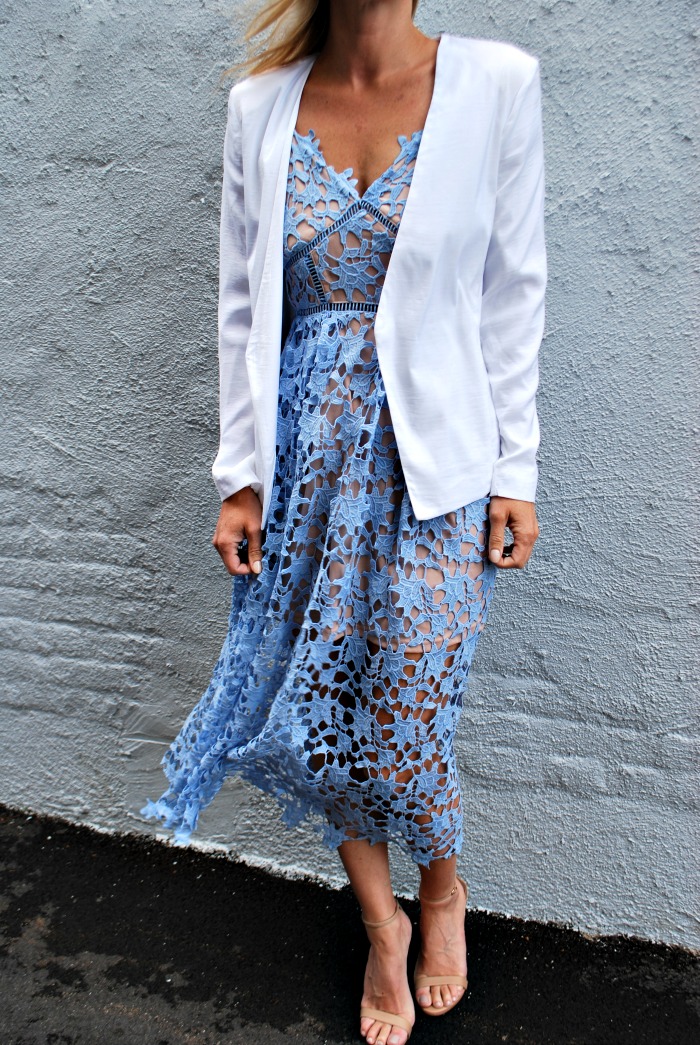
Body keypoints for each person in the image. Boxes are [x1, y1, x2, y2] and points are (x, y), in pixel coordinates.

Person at [141, 2, 546, 1043]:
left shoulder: (496, 82)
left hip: (435, 460)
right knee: (316, 703)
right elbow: (242, 303)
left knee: (409, 698)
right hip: (300, 455)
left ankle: (440, 889)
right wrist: (240, 477)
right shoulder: (260, 106)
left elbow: (512, 290)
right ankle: (381, 924)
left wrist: (516, 466)